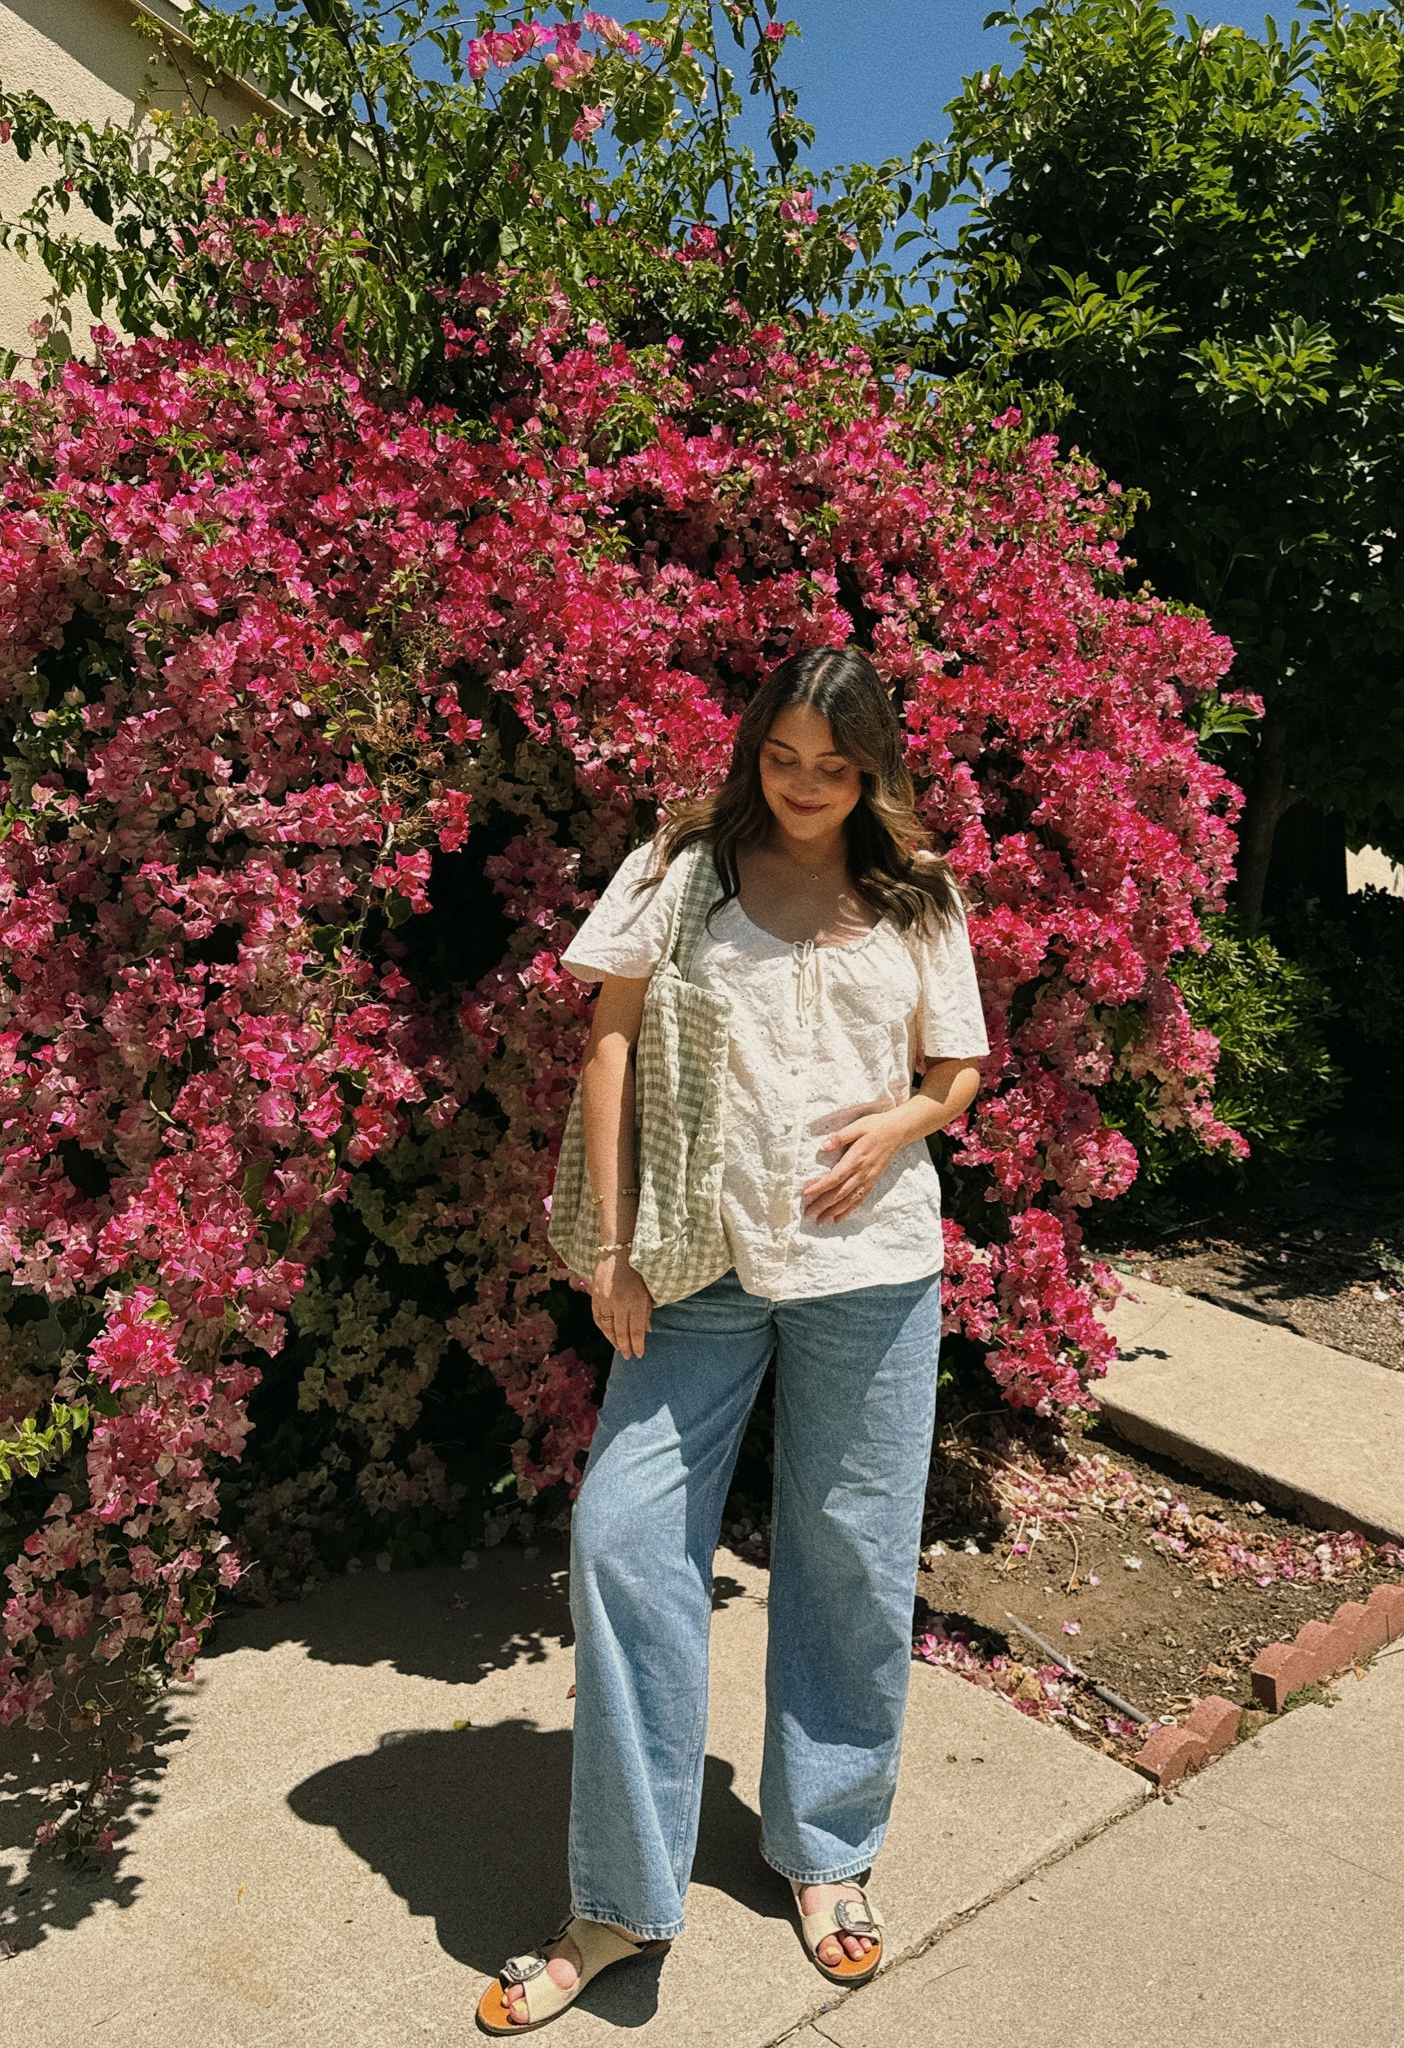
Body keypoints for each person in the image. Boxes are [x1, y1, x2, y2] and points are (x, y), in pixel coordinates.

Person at [476, 646, 988, 2035]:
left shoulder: (916, 891)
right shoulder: (681, 863)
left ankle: (826, 1853)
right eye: (784, 758)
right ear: (753, 746)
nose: (807, 787)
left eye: (835, 766)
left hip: (870, 1271)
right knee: (624, 1539)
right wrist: (619, 1247)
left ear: (871, 767)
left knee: (851, 1558)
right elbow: (609, 1044)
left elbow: (959, 1068)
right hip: (697, 1264)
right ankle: (621, 1901)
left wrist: (901, 1123)